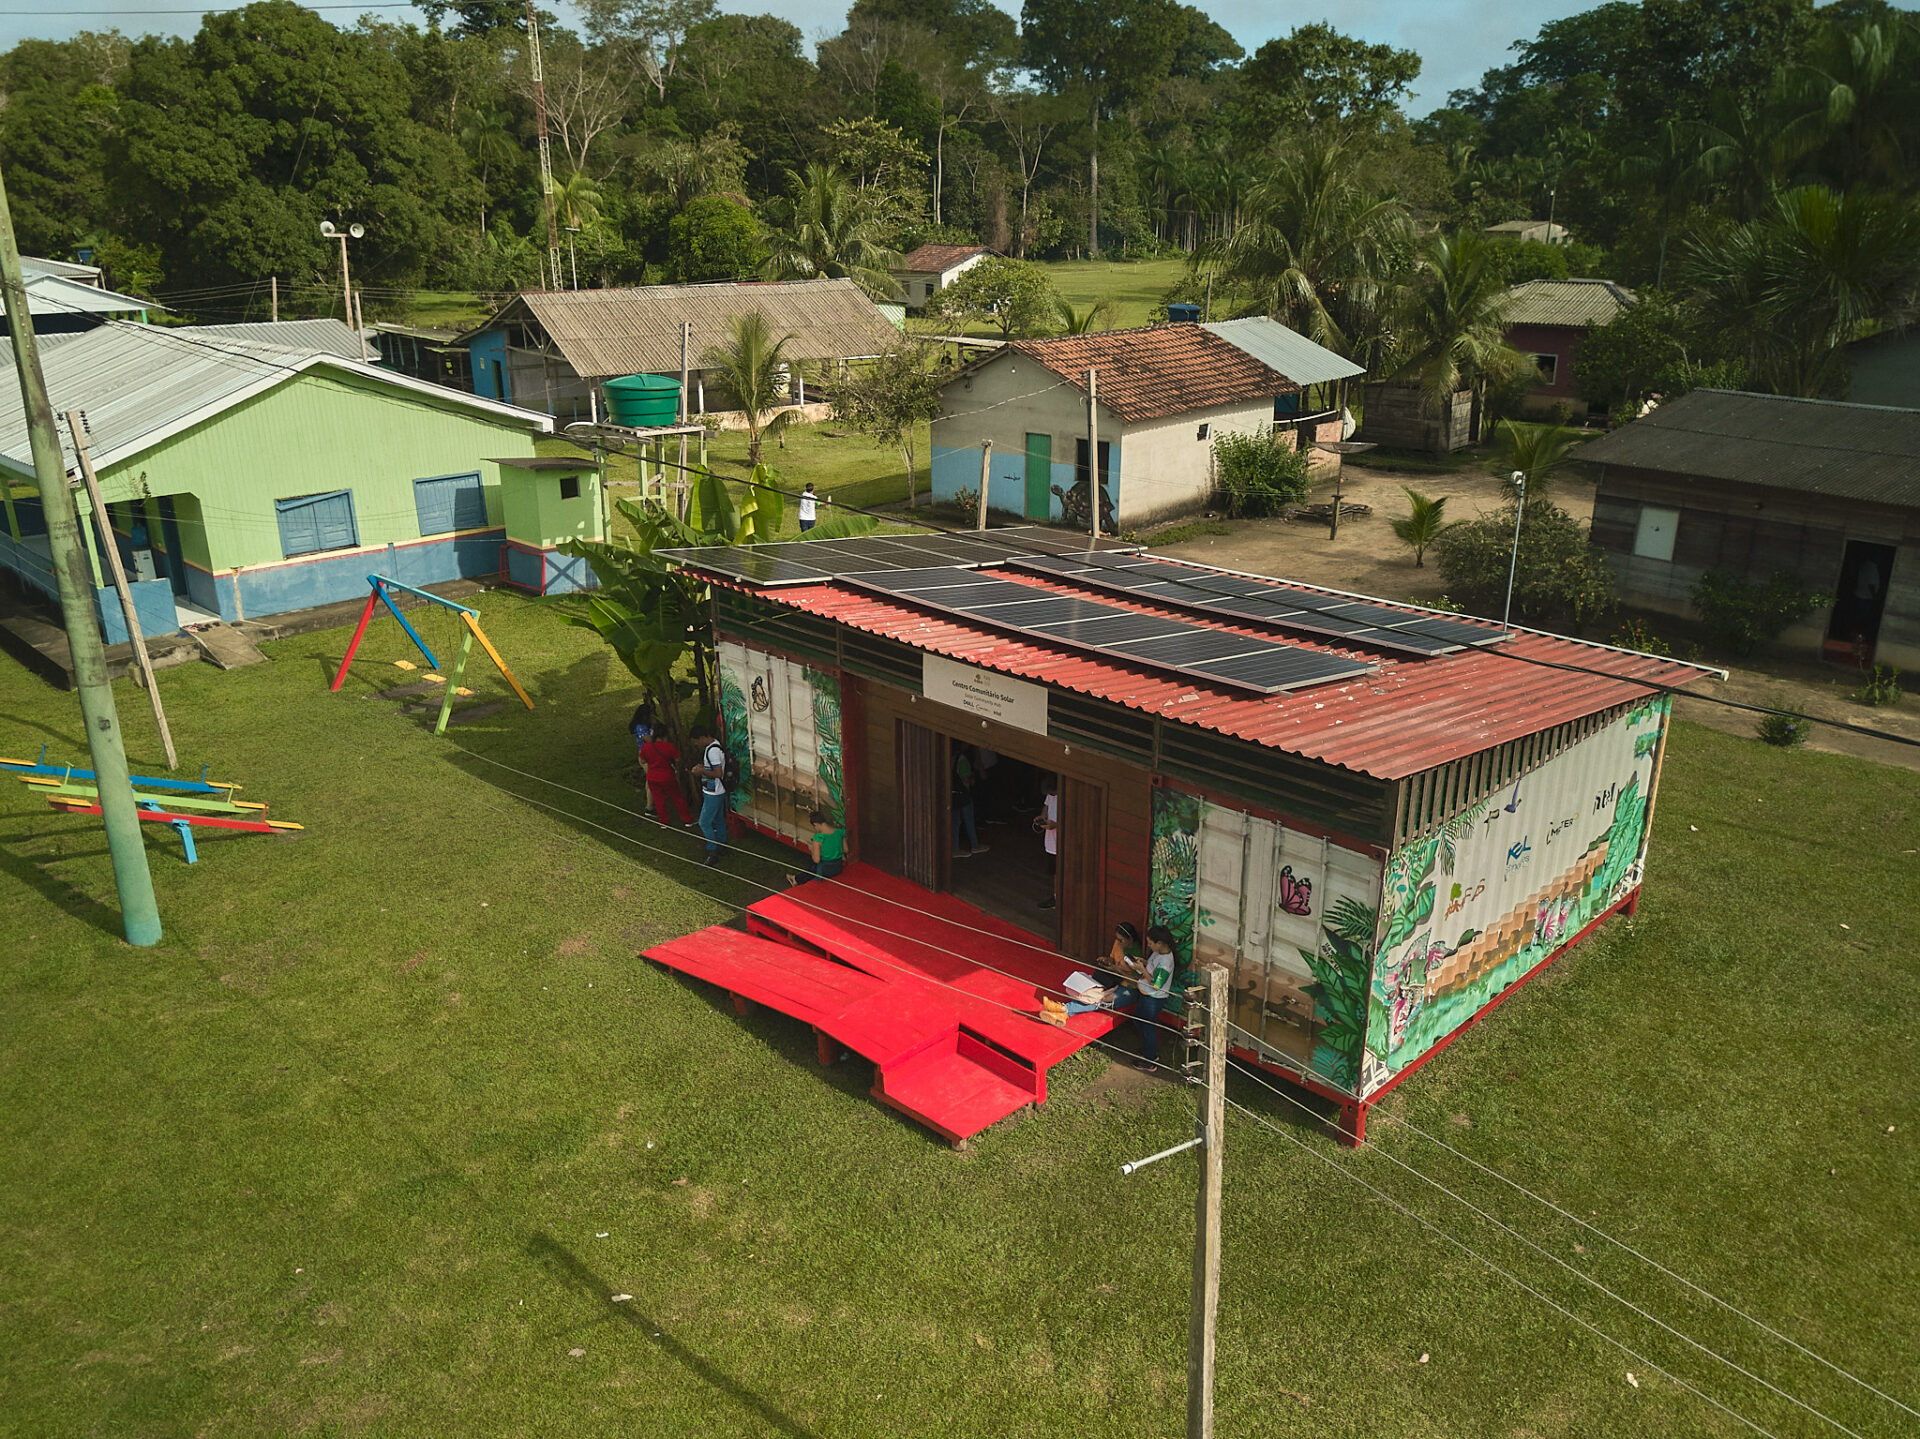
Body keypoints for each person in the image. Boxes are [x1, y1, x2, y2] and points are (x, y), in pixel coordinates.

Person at [689, 723, 729, 865]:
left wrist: (701, 771)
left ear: (701, 738)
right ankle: (722, 845)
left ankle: (712, 851)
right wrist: (703, 767)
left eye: (696, 741)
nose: (697, 744)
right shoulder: (714, 745)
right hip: (717, 790)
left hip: (714, 792)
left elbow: (718, 773)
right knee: (718, 819)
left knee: (704, 822)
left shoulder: (712, 751)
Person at [640, 727, 691, 826]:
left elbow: (643, 760)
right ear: (664, 736)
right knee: (677, 798)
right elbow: (677, 759)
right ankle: (687, 819)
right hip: (667, 776)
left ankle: (663, 821)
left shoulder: (647, 746)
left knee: (659, 799)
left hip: (652, 777)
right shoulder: (669, 746)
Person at [785, 810, 845, 886]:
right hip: (838, 867)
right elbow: (846, 850)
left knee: (814, 865)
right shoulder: (839, 832)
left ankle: (796, 879)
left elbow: (816, 860)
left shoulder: (818, 838)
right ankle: (796, 878)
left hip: (826, 871)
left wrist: (812, 849)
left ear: (815, 824)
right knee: (813, 867)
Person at [952, 747, 986, 857]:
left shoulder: (952, 758)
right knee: (969, 819)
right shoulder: (963, 759)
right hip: (963, 794)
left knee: (955, 822)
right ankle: (975, 844)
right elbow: (966, 779)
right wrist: (972, 777)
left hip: (954, 794)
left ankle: (955, 848)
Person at [1036, 775, 1058, 909]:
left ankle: (1060, 898)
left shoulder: (1067, 797)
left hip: (1062, 844)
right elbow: (1046, 808)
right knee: (1055, 872)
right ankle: (1056, 897)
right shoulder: (1050, 795)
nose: (1050, 794)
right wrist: (1042, 817)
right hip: (1050, 843)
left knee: (1062, 872)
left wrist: (1056, 825)